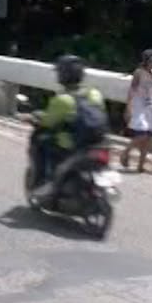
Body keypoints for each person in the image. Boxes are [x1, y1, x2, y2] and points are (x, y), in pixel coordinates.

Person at [32, 54, 108, 201]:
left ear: (63, 75)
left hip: (73, 145)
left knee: (42, 142)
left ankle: (45, 184)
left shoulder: (62, 100)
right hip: (100, 142)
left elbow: (47, 122)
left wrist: (36, 117)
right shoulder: (95, 94)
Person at [121, 48, 152, 173]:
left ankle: (140, 165)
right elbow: (132, 90)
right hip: (139, 106)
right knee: (142, 134)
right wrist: (128, 107)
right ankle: (126, 152)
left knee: (148, 137)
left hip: (150, 106)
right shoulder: (139, 73)